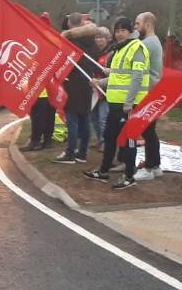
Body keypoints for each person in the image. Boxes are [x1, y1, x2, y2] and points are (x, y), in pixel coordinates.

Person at [85, 16, 148, 191]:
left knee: (129, 140)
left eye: (123, 30)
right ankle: (104, 170)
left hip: (128, 104)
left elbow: (137, 76)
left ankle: (129, 176)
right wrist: (100, 83)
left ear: (130, 32)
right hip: (115, 102)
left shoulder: (136, 48)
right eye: (117, 31)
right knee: (110, 137)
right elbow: (117, 77)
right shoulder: (120, 49)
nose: (120, 34)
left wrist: (129, 102)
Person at [53, 16, 102, 163]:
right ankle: (82, 153)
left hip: (72, 83)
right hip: (87, 83)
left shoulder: (70, 41)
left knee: (72, 120)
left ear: (69, 24)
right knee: (85, 119)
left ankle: (70, 153)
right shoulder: (92, 41)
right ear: (82, 23)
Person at [132, 12, 164, 178]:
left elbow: (135, 67)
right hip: (152, 91)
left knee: (146, 130)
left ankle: (150, 167)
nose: (136, 27)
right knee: (149, 131)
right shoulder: (153, 42)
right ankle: (155, 164)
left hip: (147, 92)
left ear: (148, 25)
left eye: (138, 24)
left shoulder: (147, 44)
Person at [90, 25, 111, 149]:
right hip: (94, 89)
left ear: (107, 38)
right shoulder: (93, 52)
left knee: (103, 118)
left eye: (101, 37)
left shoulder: (111, 53)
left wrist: (101, 81)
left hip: (106, 89)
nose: (98, 40)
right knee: (94, 118)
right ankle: (99, 139)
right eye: (97, 38)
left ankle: (105, 142)